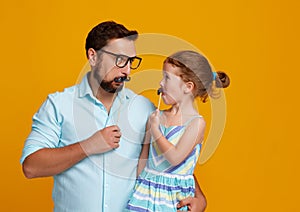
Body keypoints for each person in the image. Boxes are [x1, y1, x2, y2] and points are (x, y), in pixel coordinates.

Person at [20, 21, 207, 212]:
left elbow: (165, 161)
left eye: (130, 61)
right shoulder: (58, 105)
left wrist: (199, 197)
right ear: (93, 57)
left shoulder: (145, 109)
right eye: (119, 59)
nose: (126, 70)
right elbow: (31, 167)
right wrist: (88, 146)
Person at [126, 50, 230, 211]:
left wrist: (156, 131)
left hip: (172, 198)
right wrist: (137, 186)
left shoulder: (196, 123)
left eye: (167, 78)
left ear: (188, 87)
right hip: (145, 194)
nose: (161, 83)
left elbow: (175, 157)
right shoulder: (156, 117)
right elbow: (144, 158)